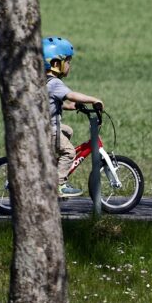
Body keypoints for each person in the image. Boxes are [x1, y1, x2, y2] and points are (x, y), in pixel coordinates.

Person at [43, 36, 103, 198]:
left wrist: (69, 107)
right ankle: (59, 184)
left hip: (42, 126)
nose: (70, 66)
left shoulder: (42, 82)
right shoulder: (55, 83)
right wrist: (93, 99)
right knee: (69, 152)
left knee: (68, 131)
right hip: (49, 128)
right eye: (68, 62)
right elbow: (71, 95)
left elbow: (51, 102)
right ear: (56, 64)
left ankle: (50, 169)